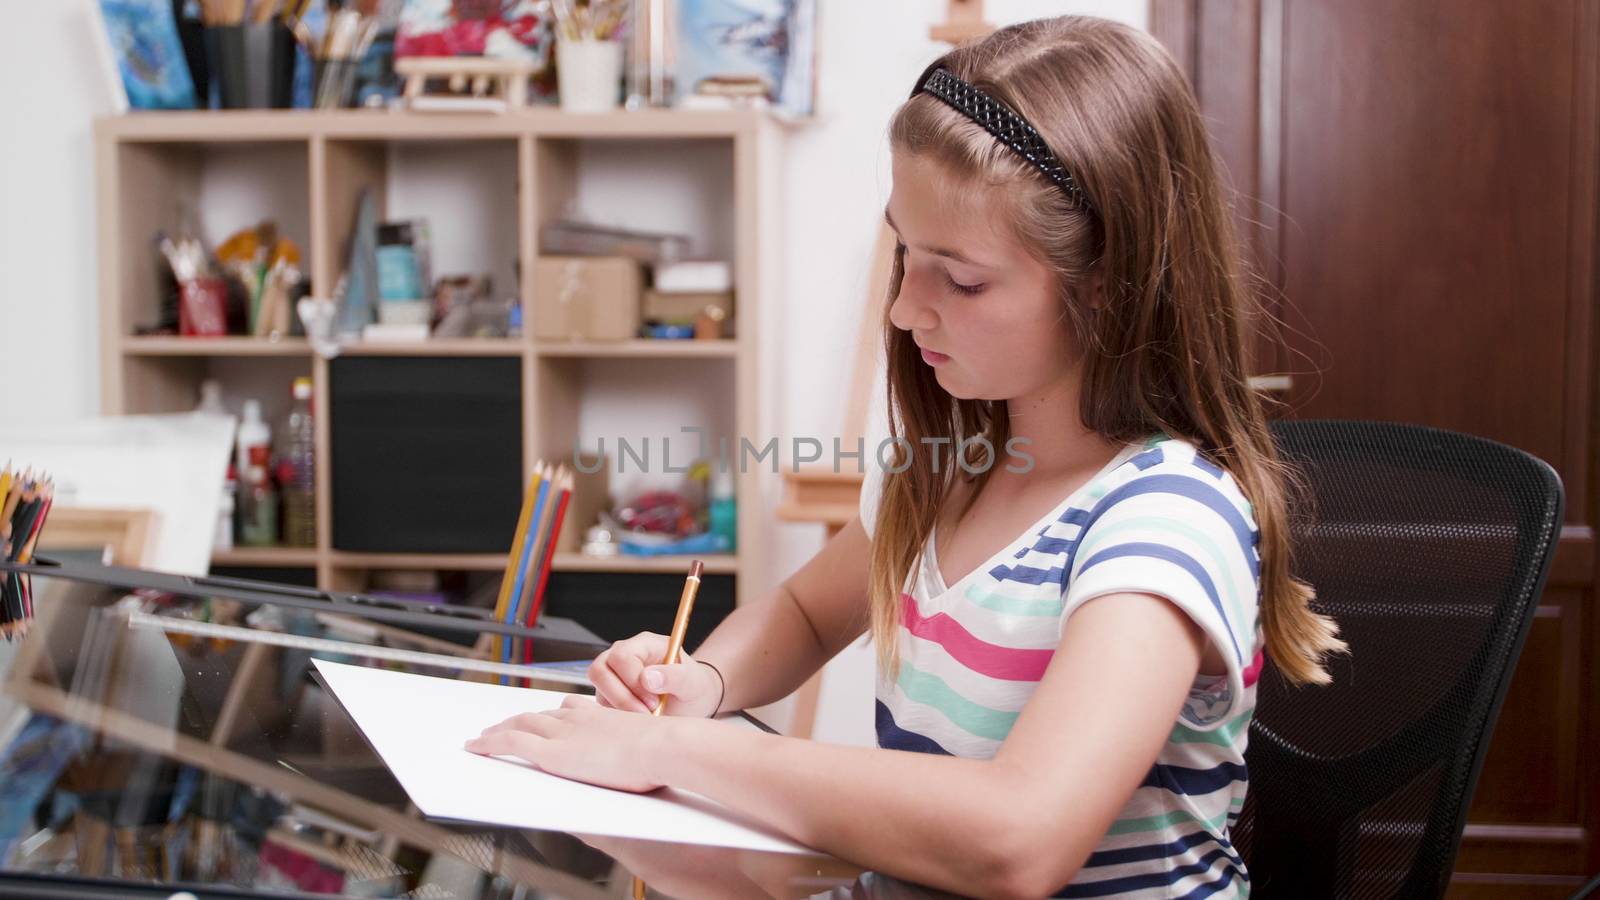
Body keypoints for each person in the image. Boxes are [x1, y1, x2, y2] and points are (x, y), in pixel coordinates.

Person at [467, 15, 1344, 899]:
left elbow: (1019, 839)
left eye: (960, 279)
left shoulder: (1166, 518)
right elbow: (809, 616)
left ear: (1109, 284)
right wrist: (703, 682)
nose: (903, 308)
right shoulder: (947, 469)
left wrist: (675, 748)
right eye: (904, 254)